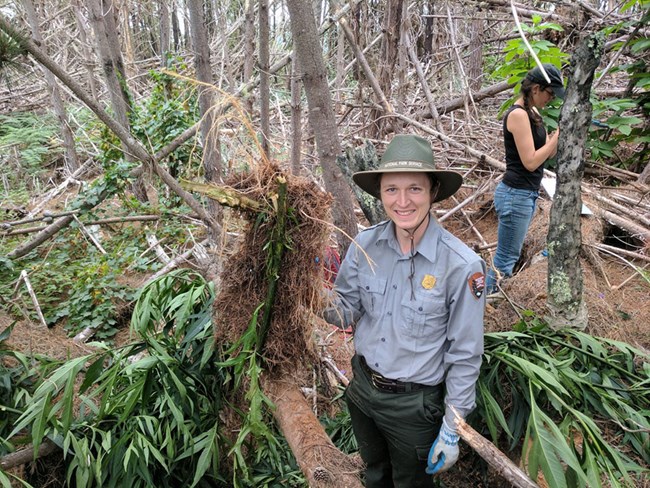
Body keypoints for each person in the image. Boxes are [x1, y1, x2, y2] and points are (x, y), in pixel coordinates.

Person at [323, 134, 485, 487]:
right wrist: (308, 290)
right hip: (363, 389)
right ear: (379, 193)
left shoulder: (461, 265)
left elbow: (466, 354)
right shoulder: (366, 244)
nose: (402, 201)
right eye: (391, 189)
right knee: (375, 473)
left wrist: (451, 428)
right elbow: (345, 311)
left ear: (433, 191)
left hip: (414, 407)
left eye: (414, 188)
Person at [487, 64, 565, 293]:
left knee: (509, 253)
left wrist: (555, 140)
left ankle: (489, 301)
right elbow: (530, 161)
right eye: (550, 93)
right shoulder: (518, 115)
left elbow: (545, 156)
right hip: (515, 194)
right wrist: (555, 137)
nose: (551, 99)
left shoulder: (533, 113)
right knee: (505, 258)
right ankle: (484, 304)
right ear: (536, 89)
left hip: (526, 194)